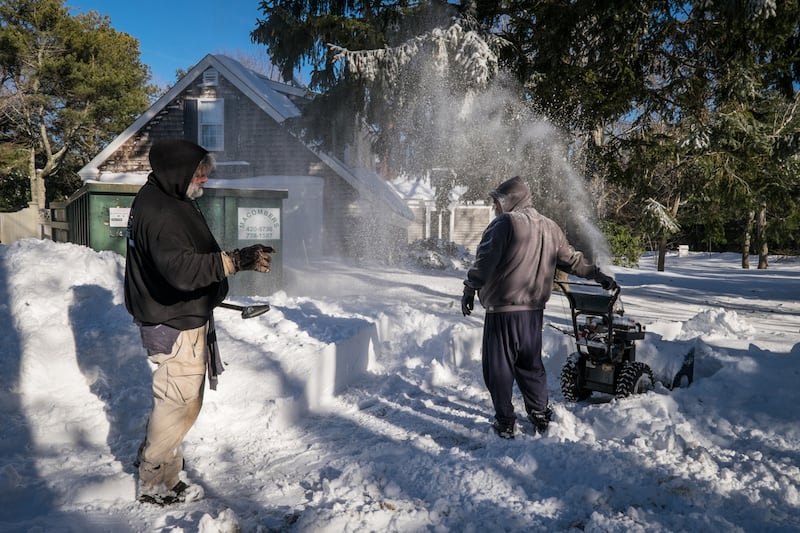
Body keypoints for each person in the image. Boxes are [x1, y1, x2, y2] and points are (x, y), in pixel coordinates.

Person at [124, 138, 274, 505]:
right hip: (174, 322)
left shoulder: (167, 198)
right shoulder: (160, 212)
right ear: (178, 171)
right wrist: (234, 261)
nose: (205, 178)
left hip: (179, 317)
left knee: (179, 401)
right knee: (178, 403)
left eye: (205, 171)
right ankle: (155, 480)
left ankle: (160, 463)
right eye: (199, 172)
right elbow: (181, 270)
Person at [461, 176, 617, 439]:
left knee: (498, 368)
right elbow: (572, 259)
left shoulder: (505, 223)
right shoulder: (550, 226)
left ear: (511, 200)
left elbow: (485, 260)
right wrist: (597, 274)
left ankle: (505, 421)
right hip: (533, 314)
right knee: (530, 365)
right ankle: (540, 413)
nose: (495, 207)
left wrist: (470, 287)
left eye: (498, 202)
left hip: (503, 312)